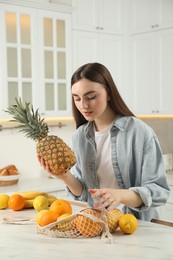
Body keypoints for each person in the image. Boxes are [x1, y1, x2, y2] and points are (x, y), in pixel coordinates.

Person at [39, 62, 170, 221]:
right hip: (97, 224)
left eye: (91, 97)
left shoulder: (139, 132)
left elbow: (159, 192)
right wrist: (64, 176)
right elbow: (85, 194)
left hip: (136, 226)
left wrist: (120, 195)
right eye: (77, 99)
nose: (84, 105)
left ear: (108, 93)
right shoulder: (79, 137)